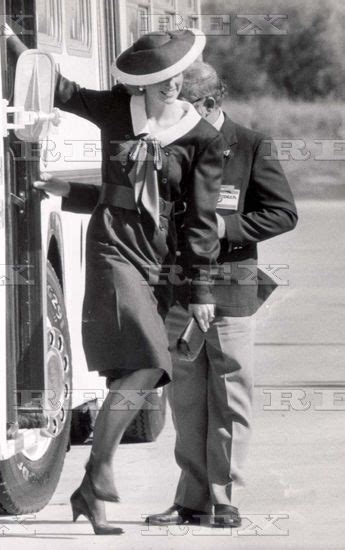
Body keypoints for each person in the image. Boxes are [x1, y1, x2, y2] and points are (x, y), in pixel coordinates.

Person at [6, 29, 224, 535]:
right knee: (149, 358)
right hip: (111, 245)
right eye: (161, 78)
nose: (172, 85)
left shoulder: (203, 138)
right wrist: (6, 35)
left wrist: (200, 293)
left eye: (176, 76)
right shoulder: (112, 110)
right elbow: (55, 86)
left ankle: (91, 483)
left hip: (161, 257)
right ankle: (99, 472)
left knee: (146, 371)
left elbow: (201, 223)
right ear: (143, 82)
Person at [146, 61, 298, 528]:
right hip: (179, 291)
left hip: (230, 290)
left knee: (231, 396)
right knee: (187, 403)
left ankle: (223, 496)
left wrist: (223, 228)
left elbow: (282, 213)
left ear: (210, 103)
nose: (173, 113)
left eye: (183, 104)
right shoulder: (167, 144)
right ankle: (190, 500)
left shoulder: (250, 145)